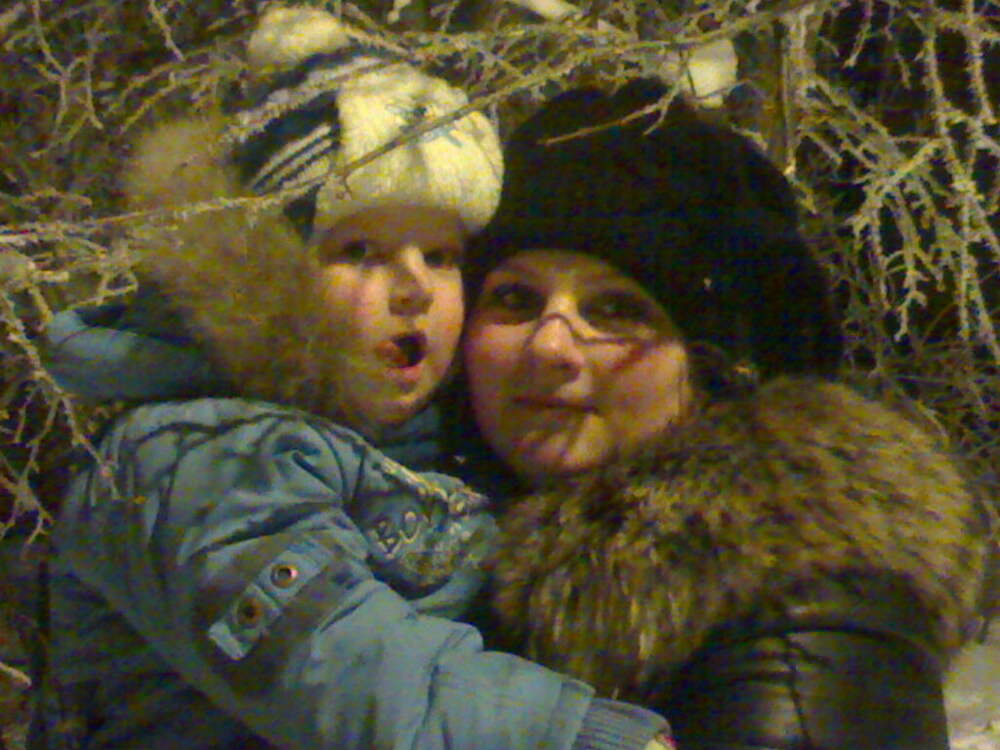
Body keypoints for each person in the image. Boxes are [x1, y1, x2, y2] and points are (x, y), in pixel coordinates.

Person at [32, 9, 672, 750]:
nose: (415, 288)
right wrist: (567, 734)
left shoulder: (433, 449)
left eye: (440, 256)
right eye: (360, 251)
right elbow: (337, 664)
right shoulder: (189, 458)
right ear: (264, 276)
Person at [456, 79, 995, 750]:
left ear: (714, 365)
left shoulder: (800, 606)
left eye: (616, 309)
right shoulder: (412, 516)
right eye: (514, 299)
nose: (549, 345)